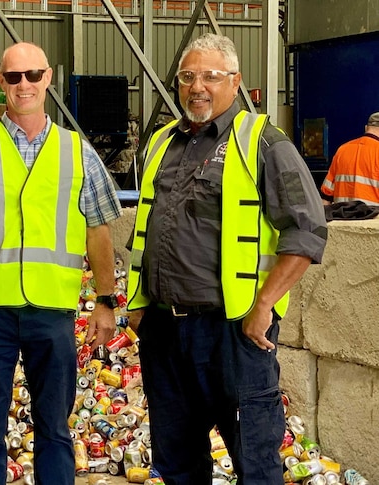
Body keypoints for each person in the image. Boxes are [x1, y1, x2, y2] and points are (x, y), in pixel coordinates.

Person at [126, 33, 327, 485]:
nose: (197, 86)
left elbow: (308, 230)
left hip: (232, 332)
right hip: (165, 331)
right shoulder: (160, 143)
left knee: (254, 462)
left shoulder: (263, 143)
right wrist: (138, 303)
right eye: (187, 76)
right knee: (177, 464)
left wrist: (263, 307)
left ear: (235, 82)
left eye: (210, 76)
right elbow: (144, 232)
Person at [0, 42, 122, 484]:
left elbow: (99, 232)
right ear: (1, 81)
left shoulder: (78, 153)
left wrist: (106, 300)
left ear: (49, 78)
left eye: (33, 75)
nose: (24, 85)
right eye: (14, 77)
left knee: (55, 431)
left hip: (52, 313)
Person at [320, 112, 379, 205]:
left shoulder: (342, 150)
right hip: (373, 218)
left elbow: (326, 197)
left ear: (366, 128)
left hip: (341, 217)